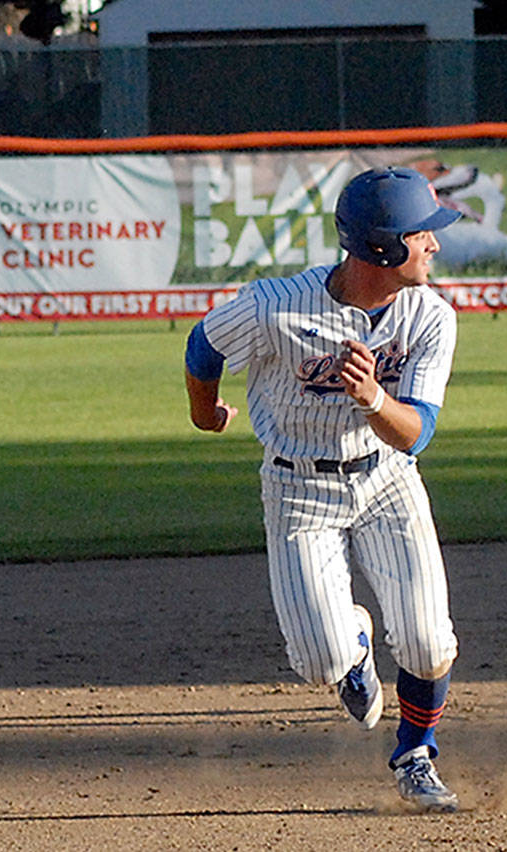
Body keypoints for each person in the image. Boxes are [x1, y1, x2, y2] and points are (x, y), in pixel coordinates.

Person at [184, 166, 463, 810]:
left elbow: (416, 433)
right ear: (385, 247)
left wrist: (372, 398)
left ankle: (415, 756)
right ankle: (351, 640)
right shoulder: (274, 306)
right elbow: (204, 344)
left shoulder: (431, 317)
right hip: (298, 490)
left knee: (427, 641)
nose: (435, 246)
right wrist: (205, 413)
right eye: (424, 235)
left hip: (388, 480)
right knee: (318, 663)